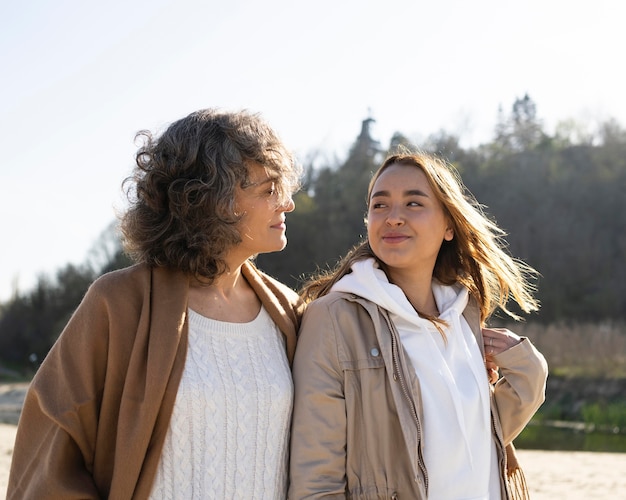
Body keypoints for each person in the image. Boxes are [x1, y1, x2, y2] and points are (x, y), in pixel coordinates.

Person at [8, 108, 304, 499]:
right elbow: (49, 451)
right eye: (268, 190)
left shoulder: (289, 312)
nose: (287, 204)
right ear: (210, 199)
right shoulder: (118, 303)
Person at [288, 151, 548, 499]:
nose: (393, 218)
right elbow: (316, 478)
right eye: (380, 205)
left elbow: (480, 439)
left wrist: (529, 368)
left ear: (448, 226)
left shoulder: (462, 314)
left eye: (413, 204)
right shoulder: (336, 318)